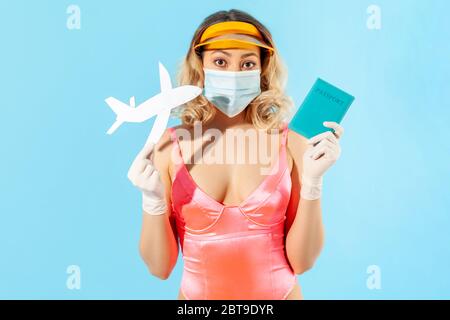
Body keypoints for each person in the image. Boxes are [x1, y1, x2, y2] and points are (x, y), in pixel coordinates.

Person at [127, 9, 344, 300]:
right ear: (200, 65)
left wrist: (315, 184)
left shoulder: (291, 143)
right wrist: (151, 201)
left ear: (262, 69)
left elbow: (303, 262)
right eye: (220, 61)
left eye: (247, 63)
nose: (234, 73)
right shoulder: (170, 147)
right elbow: (159, 267)